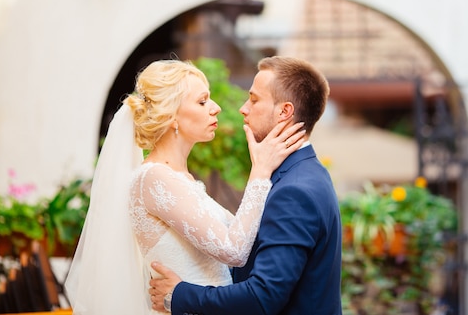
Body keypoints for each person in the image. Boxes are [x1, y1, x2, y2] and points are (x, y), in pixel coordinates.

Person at [64, 59, 305, 315]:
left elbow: (242, 239)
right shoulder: (154, 179)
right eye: (202, 102)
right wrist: (260, 171)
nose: (216, 108)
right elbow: (233, 250)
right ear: (171, 116)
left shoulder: (180, 179)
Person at [149, 56, 343, 315]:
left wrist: (179, 294)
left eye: (254, 99)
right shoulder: (303, 174)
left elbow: (264, 296)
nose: (243, 108)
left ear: (284, 112)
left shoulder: (294, 191)